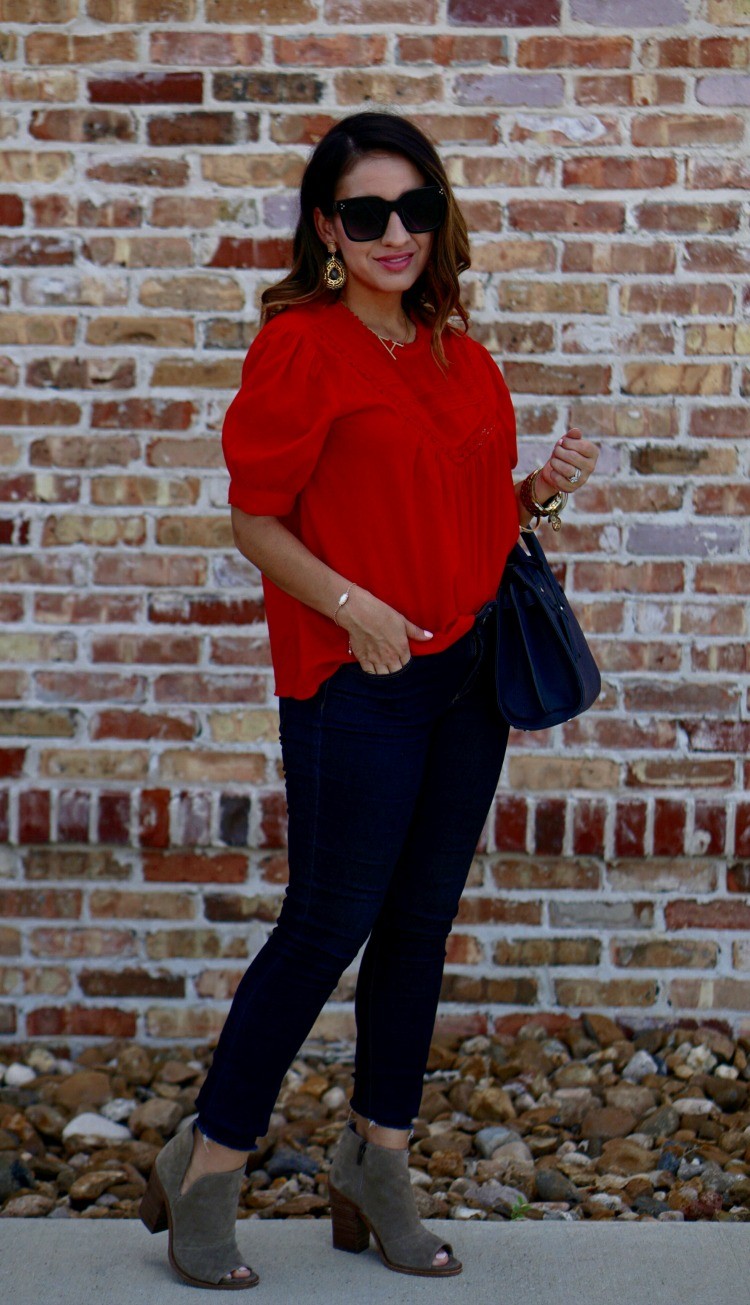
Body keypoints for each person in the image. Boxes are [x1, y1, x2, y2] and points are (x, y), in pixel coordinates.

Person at [139, 110, 599, 1289]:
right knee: (323, 927)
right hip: (361, 683)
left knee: (418, 926)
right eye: (368, 213)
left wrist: (534, 496)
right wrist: (353, 604)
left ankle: (375, 1161)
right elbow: (255, 519)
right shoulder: (301, 346)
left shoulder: (455, 346)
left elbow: (462, 514)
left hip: (469, 680)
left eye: (416, 208)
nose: (396, 232)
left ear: (439, 218)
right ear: (328, 228)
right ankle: (211, 1163)